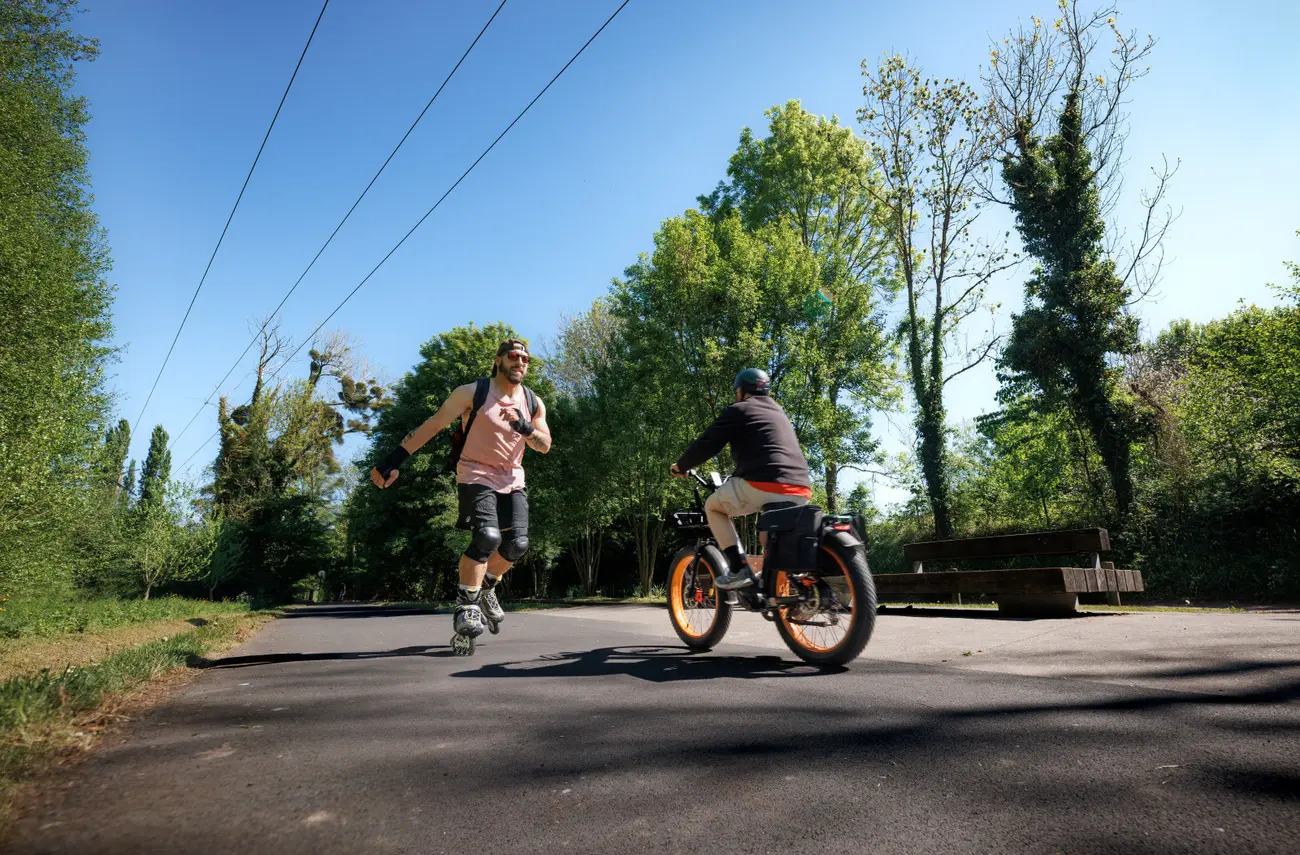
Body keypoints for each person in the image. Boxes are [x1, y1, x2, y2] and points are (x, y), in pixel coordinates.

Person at [370, 338, 551, 642]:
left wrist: (524, 426)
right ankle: (467, 605)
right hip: (475, 473)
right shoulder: (473, 392)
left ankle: (487, 588)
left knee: (517, 544)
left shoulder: (533, 402)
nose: (519, 362)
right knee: (487, 537)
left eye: (525, 359)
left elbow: (544, 445)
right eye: (512, 356)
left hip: (512, 478)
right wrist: (394, 461)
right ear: (498, 360)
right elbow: (433, 424)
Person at [671, 367, 812, 590]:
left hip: (763, 483)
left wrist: (681, 466)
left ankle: (739, 568)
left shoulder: (740, 409)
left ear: (741, 391)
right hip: (801, 488)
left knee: (713, 506)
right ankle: (775, 586)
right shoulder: (779, 412)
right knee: (771, 534)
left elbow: (708, 443)